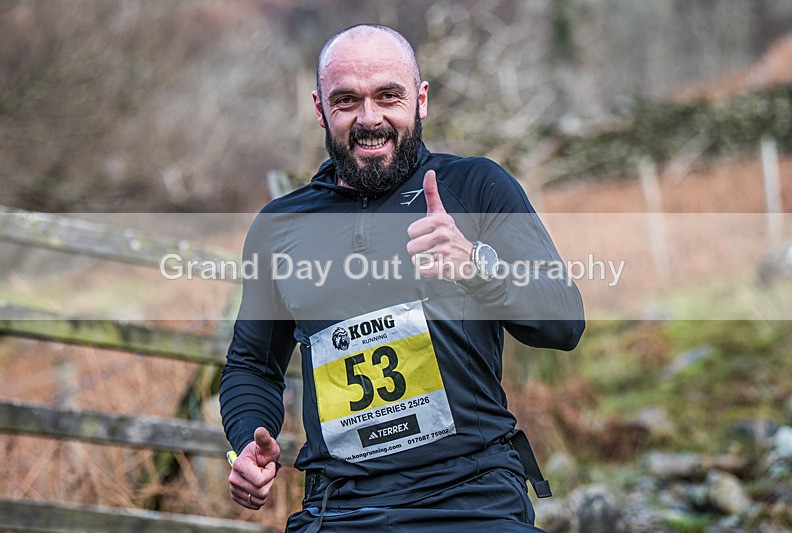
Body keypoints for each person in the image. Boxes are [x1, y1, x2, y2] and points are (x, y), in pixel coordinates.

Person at [219, 24, 584, 532]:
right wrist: (245, 443)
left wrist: (476, 267)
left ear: (421, 99)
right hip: (341, 509)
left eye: (388, 96)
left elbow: (565, 322)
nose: (370, 119)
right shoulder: (281, 227)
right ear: (321, 109)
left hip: (473, 500)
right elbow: (252, 367)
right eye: (346, 101)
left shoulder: (476, 187)